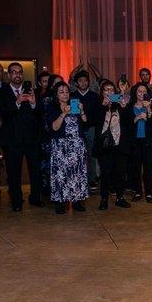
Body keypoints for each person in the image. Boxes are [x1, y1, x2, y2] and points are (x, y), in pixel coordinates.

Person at [0, 62, 44, 211]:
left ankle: (35, 198)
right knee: (14, 172)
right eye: (14, 72)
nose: (17, 74)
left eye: (20, 72)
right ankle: (17, 201)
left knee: (35, 170)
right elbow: (2, 112)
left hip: (31, 139)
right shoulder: (2, 92)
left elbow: (40, 113)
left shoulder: (32, 90)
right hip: (12, 140)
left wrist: (34, 103)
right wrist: (16, 103)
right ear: (9, 75)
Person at [45, 81, 89, 214]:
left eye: (66, 92)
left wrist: (81, 111)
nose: (65, 94)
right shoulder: (52, 107)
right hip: (61, 147)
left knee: (77, 172)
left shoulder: (74, 105)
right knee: (60, 174)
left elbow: (85, 123)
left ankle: (76, 200)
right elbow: (54, 127)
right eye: (61, 92)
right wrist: (63, 113)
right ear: (56, 94)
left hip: (77, 145)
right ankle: (59, 202)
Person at [93, 80, 133, 210]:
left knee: (120, 172)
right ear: (102, 92)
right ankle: (104, 198)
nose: (109, 92)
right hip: (105, 145)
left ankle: (120, 197)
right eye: (106, 89)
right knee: (105, 173)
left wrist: (124, 106)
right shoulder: (98, 104)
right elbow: (94, 121)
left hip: (120, 144)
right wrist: (103, 106)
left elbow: (129, 121)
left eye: (111, 89)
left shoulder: (120, 104)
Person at [70, 70, 100, 192]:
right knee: (78, 155)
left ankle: (92, 179)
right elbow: (73, 114)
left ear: (88, 82)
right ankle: (79, 179)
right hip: (77, 129)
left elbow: (98, 116)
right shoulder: (73, 96)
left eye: (85, 80)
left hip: (92, 129)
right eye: (80, 81)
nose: (83, 83)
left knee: (92, 155)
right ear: (76, 83)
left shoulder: (94, 96)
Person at [127, 83, 152, 203]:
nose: (141, 94)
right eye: (139, 91)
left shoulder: (151, 105)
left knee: (148, 168)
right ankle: (138, 191)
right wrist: (136, 118)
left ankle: (149, 192)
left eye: (144, 92)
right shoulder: (130, 106)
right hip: (135, 141)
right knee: (136, 168)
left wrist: (148, 109)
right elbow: (126, 124)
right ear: (135, 93)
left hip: (148, 141)